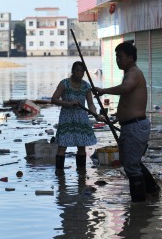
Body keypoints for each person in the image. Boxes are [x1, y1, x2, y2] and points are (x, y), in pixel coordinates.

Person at [94, 42, 151, 202]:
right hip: (129, 125)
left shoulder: (134, 73)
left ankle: (139, 208)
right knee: (131, 163)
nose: (118, 60)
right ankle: (152, 191)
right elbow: (128, 101)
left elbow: (125, 89)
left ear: (130, 58)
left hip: (135, 126)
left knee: (131, 166)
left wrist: (103, 90)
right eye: (116, 57)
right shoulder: (129, 73)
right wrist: (116, 117)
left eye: (120, 57)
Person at [51, 61, 102, 173]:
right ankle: (59, 174)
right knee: (62, 146)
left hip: (81, 119)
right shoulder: (64, 83)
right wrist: (67, 103)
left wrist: (96, 114)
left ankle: (81, 174)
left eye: (81, 71)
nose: (79, 73)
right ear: (72, 71)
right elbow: (54, 99)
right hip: (66, 118)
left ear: (84, 73)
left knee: (81, 146)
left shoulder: (86, 86)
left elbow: (91, 104)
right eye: (76, 71)